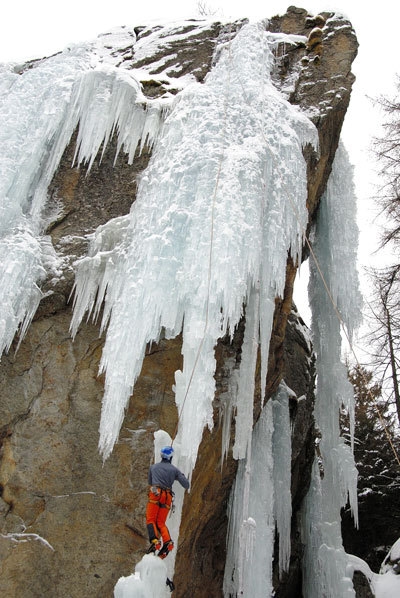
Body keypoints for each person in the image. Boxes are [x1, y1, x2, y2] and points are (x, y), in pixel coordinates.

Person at [146, 445, 189, 558]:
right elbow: (186, 484)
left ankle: (155, 541)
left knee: (151, 519)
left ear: (161, 455)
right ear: (171, 457)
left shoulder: (153, 467)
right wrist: (176, 476)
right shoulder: (174, 470)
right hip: (167, 496)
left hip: (156, 493)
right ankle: (168, 541)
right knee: (160, 523)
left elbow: (150, 481)